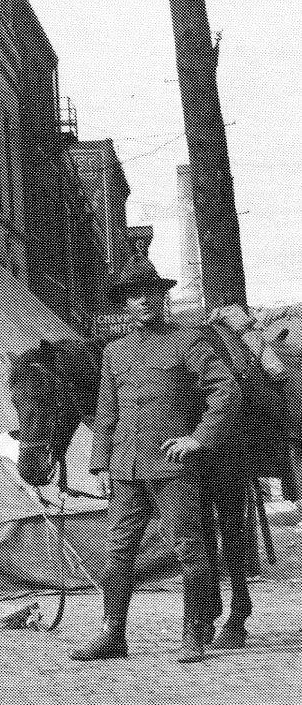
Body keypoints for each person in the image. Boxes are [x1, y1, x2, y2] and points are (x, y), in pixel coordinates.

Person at [71, 256, 241, 664]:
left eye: (152, 293)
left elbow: (224, 389)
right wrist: (99, 462)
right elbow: (107, 411)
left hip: (174, 463)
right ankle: (113, 634)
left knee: (191, 548)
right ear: (124, 304)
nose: (144, 301)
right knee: (116, 549)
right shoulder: (115, 352)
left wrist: (198, 438)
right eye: (134, 296)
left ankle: (194, 636)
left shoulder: (191, 340)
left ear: (163, 297)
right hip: (125, 467)